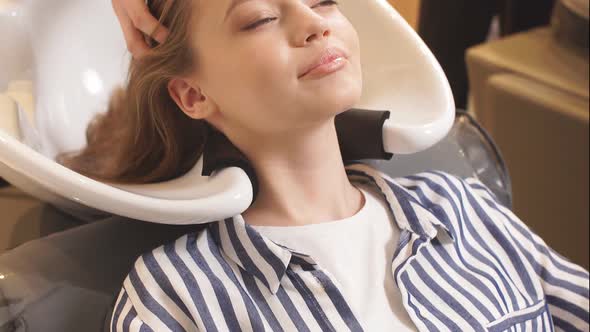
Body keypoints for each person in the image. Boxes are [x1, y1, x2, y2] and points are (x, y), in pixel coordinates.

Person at [61, 0, 588, 330]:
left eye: (326, 0)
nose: (313, 22)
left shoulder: (458, 207)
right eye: (260, 18)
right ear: (193, 94)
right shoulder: (176, 297)